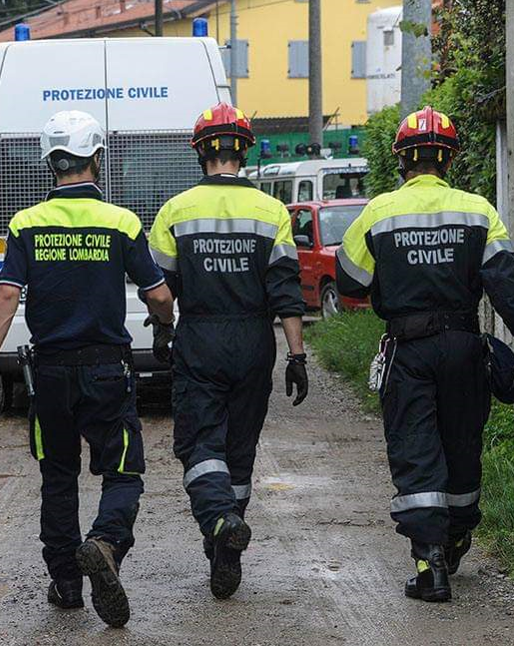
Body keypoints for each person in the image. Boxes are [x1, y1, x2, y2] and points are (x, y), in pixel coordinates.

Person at [335, 106, 514, 602]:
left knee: (415, 447)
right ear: (449, 159)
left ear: (402, 161)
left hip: (408, 350)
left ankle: (429, 562)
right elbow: (506, 283)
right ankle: (455, 538)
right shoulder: (478, 210)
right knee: (460, 444)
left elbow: (350, 280)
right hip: (463, 347)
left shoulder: (379, 212)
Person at [0, 110, 174, 628]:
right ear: (97, 159)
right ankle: (105, 543)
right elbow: (157, 293)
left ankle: (65, 582)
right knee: (124, 468)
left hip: (51, 375)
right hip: (109, 370)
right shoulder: (122, 222)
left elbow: (7, 294)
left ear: (49, 163)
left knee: (57, 476)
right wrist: (164, 325)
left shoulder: (25, 223)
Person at [147, 103, 308, 601]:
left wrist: (162, 331)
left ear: (201, 152)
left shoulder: (175, 210)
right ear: (243, 152)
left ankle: (217, 520)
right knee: (239, 450)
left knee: (199, 445)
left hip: (200, 338)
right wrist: (297, 356)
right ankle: (226, 550)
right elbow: (286, 292)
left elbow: (161, 291)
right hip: (254, 342)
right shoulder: (271, 212)